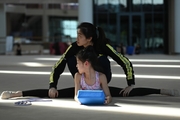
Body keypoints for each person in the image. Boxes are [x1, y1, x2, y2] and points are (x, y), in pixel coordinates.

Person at [1, 46, 179, 100]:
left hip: (99, 89)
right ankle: (16, 93)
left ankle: (162, 90)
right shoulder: (78, 76)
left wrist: (108, 98)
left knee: (128, 92)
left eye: (78, 63)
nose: (75, 66)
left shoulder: (101, 77)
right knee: (51, 94)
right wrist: (53, 87)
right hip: (86, 89)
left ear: (86, 63)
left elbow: (108, 94)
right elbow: (76, 95)